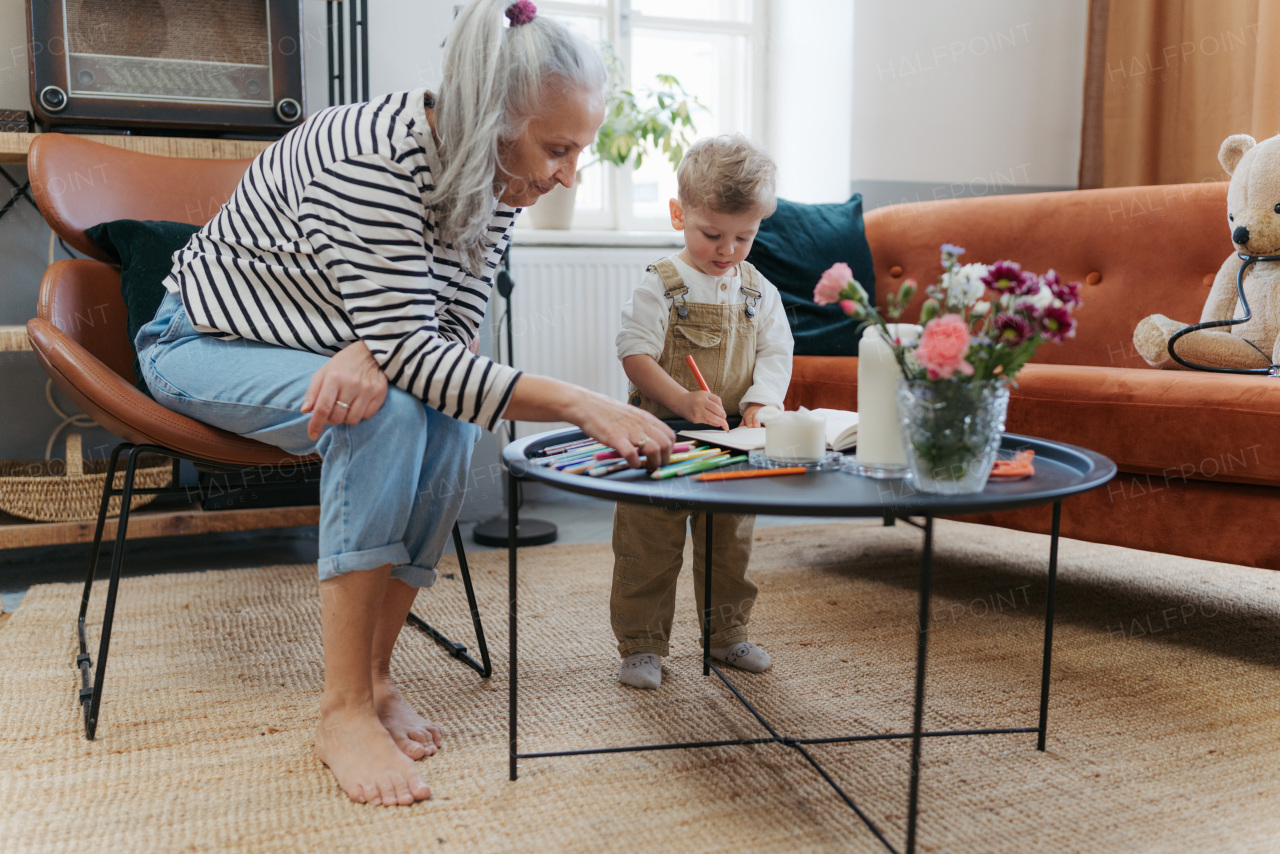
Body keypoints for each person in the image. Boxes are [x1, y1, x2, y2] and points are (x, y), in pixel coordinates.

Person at [133, 0, 674, 807]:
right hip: (203, 344)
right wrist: (580, 402)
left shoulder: (495, 178)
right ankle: (341, 709)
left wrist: (374, 346)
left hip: (316, 341)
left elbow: (451, 332)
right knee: (383, 412)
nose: (569, 174)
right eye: (558, 148)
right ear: (493, 116)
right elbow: (421, 352)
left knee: (452, 416)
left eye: (579, 151)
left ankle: (378, 676)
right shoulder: (372, 157)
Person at [611, 135, 794, 690]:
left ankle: (726, 636)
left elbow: (775, 353)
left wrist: (761, 403)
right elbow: (634, 354)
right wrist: (683, 400)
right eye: (712, 234)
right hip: (662, 434)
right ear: (678, 214)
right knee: (648, 546)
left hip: (731, 441)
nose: (728, 250)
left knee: (728, 544)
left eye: (745, 236)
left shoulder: (760, 292)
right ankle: (642, 645)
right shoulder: (661, 285)